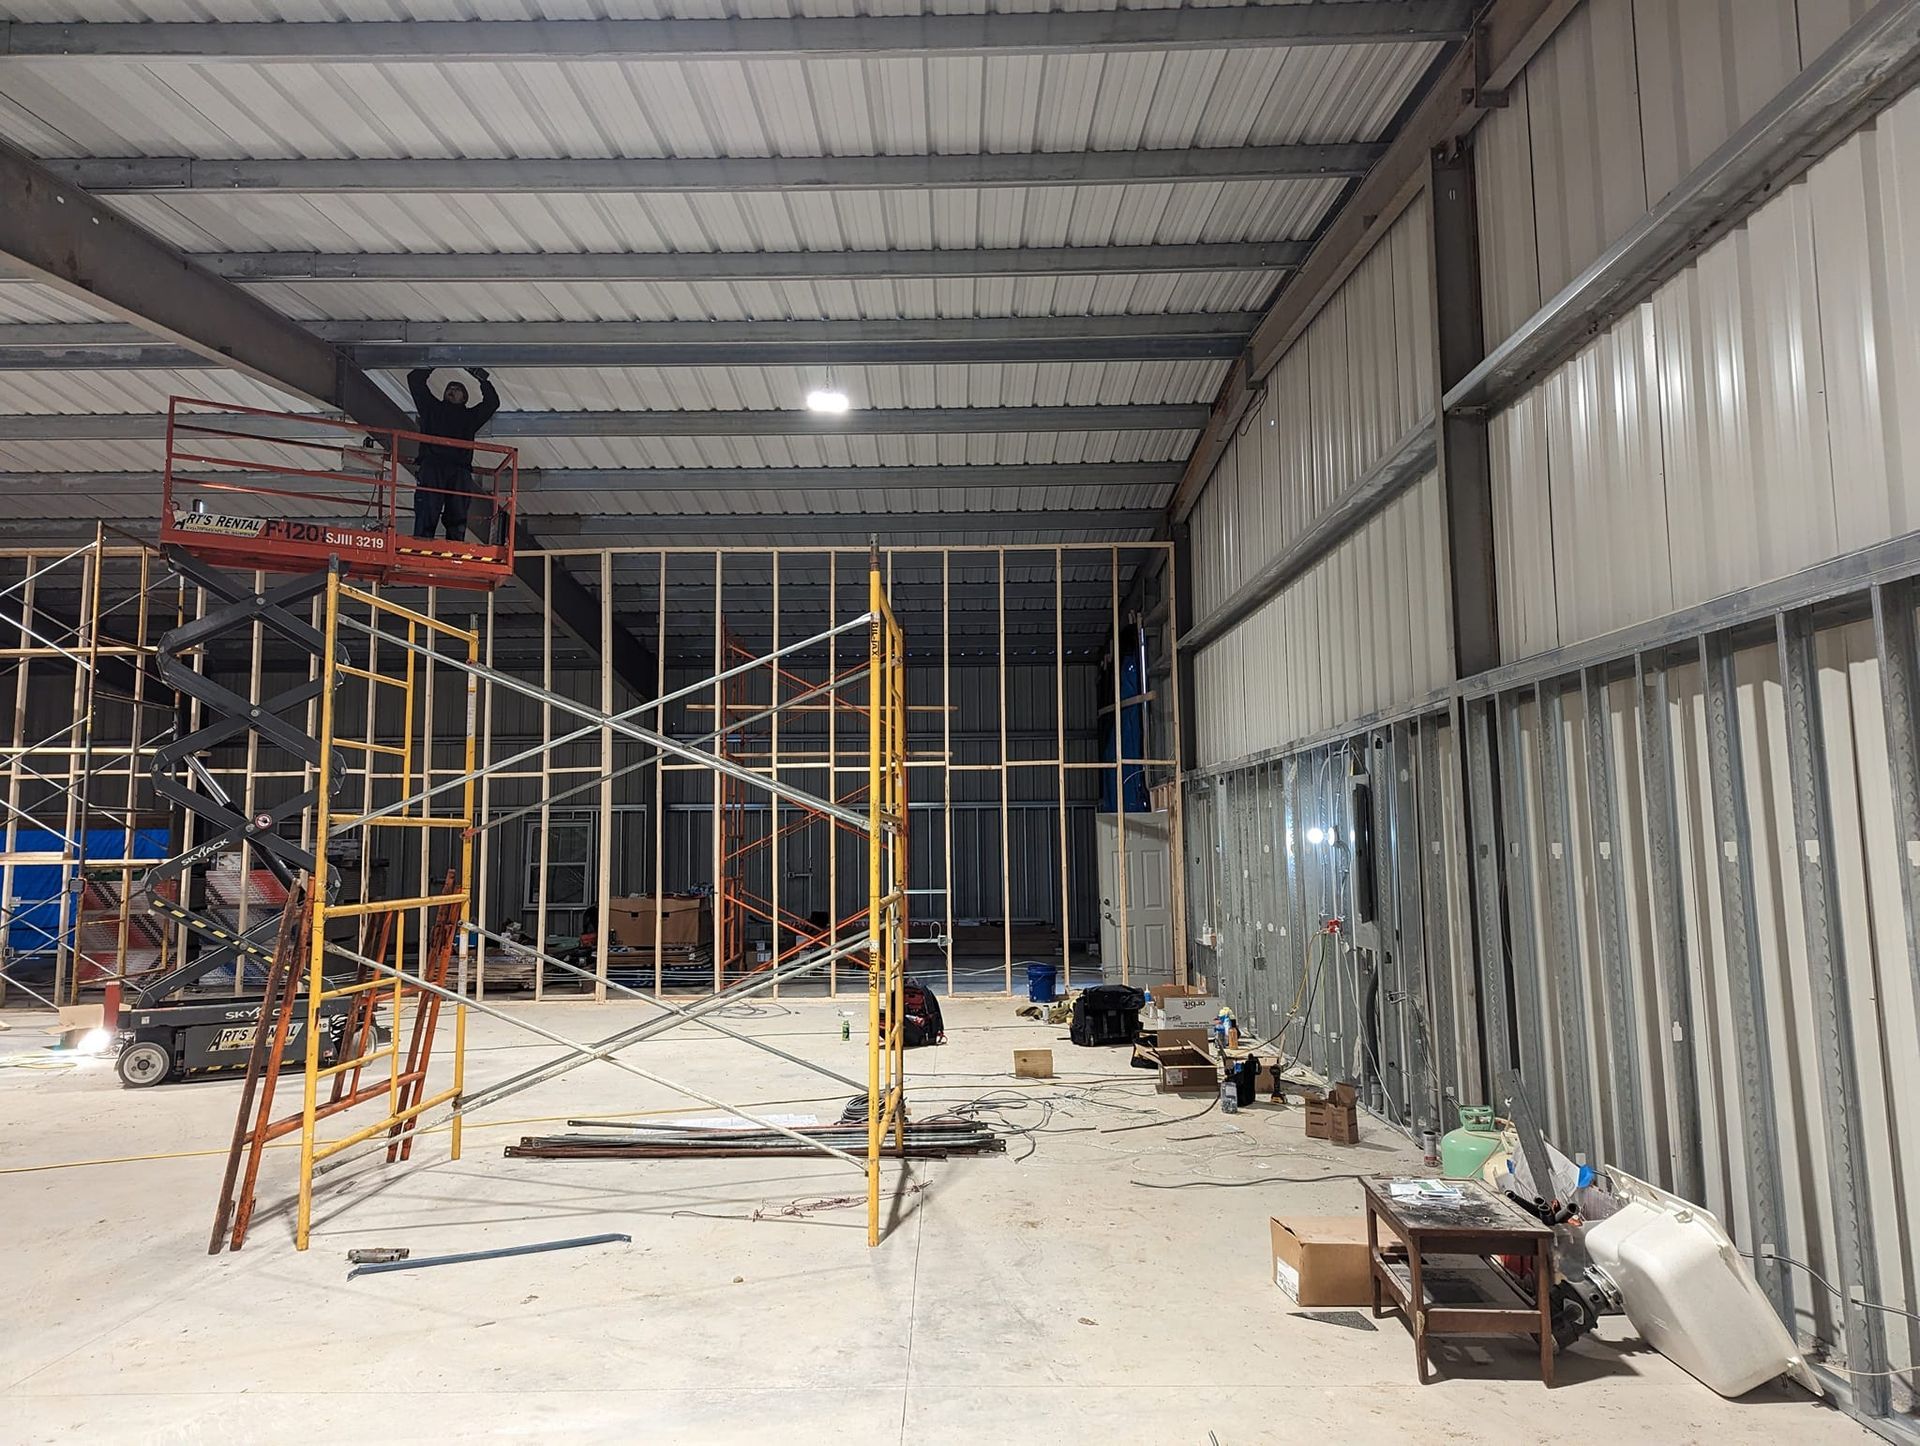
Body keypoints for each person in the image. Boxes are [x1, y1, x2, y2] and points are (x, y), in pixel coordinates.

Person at [406, 367, 500, 540]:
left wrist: (483, 381)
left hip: (458, 469)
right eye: (449, 388)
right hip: (434, 465)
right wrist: (431, 364)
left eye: (457, 390)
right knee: (428, 507)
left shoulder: (470, 417)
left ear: (464, 398)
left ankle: (454, 545)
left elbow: (491, 403)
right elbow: (415, 381)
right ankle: (422, 542)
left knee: (457, 512)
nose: (452, 391)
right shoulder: (431, 408)